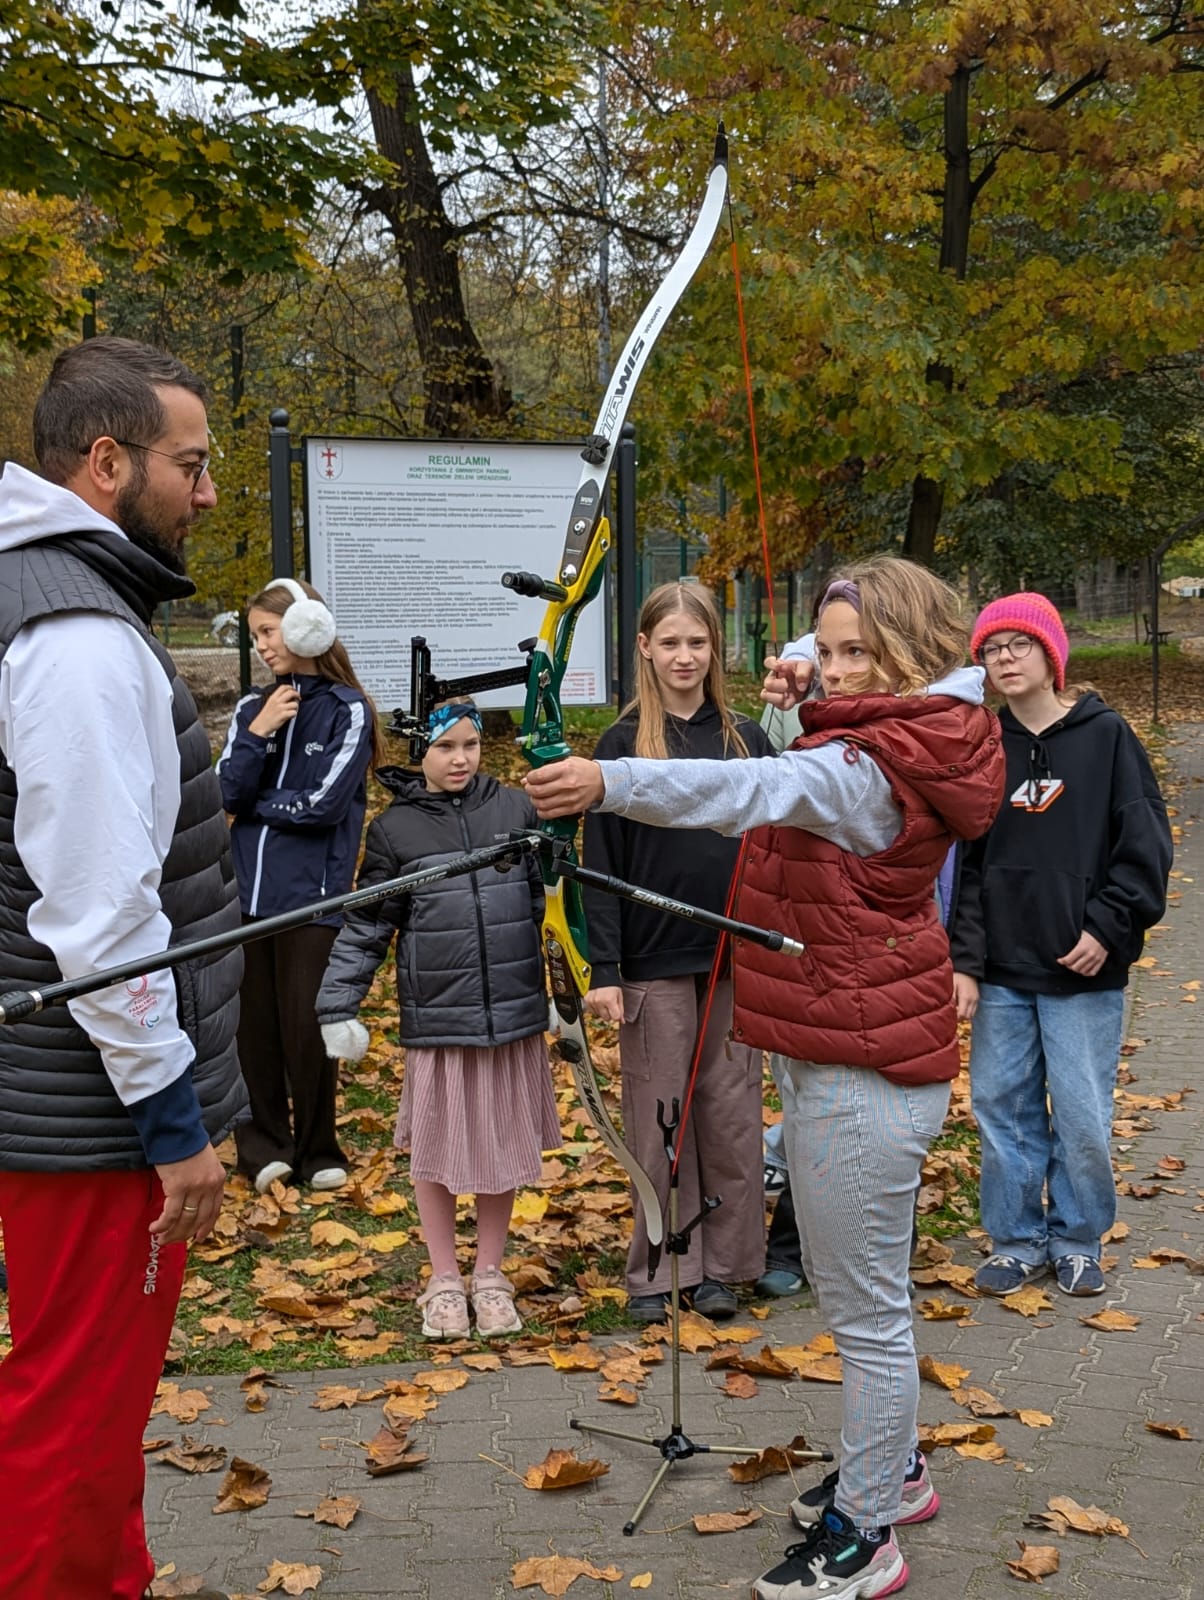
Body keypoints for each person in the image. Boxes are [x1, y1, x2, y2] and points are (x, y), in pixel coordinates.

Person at [525, 556, 1006, 1600]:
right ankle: (897, 1470)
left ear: (910, 655)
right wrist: (803, 675)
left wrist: (609, 781)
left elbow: (750, 787)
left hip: (863, 1075)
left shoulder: (864, 768)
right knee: (865, 1296)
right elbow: (811, 701)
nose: (831, 667)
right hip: (857, 1050)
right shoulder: (926, 725)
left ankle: (868, 1532)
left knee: (865, 1315)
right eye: (824, 648)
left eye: (854, 652)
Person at [0, 337, 246, 1600]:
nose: (207, 491)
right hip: (90, 1111)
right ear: (106, 462)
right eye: (188, 465)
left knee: (88, 1404)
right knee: (76, 1407)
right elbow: (99, 916)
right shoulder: (78, 636)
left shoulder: (42, 590)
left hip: (58, 1090)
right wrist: (171, 1120)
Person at [950, 593, 1171, 1298]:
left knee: (1081, 1117)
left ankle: (1078, 1239)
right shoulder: (984, 744)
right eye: (992, 649)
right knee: (1003, 1111)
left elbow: (1144, 845)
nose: (1005, 658)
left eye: (1020, 644)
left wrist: (1107, 927)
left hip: (1082, 971)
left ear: (1052, 654)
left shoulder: (1107, 738)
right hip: (1002, 970)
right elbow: (966, 864)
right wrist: (966, 961)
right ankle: (1016, 1241)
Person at [315, 701, 558, 1339]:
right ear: (420, 749)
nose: (460, 759)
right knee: (438, 1148)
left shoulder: (515, 810)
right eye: (445, 747)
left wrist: (563, 991)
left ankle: (491, 1274)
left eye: (470, 745)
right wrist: (337, 1005)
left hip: (511, 1015)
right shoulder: (395, 831)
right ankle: (444, 1278)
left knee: (501, 1143)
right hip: (440, 1018)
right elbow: (366, 926)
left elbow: (546, 908)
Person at [582, 582, 773, 1323]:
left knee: (730, 1113)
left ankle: (726, 1264)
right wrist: (604, 970)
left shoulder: (747, 740)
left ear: (715, 648)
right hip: (651, 959)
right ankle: (663, 1267)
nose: (685, 656)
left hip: (733, 959)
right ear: (645, 648)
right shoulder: (622, 745)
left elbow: (777, 843)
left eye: (697, 642)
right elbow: (600, 863)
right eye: (670, 643)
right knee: (660, 1116)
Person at [217, 577, 382, 1194]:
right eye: (256, 634)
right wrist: (259, 731)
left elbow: (323, 806)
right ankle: (263, 1148)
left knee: (307, 1029)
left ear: (305, 627)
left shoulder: (347, 709)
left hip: (314, 900)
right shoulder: (249, 710)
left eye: (269, 631)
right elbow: (225, 793)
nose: (262, 645)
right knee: (252, 1029)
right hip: (245, 899)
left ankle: (318, 1149)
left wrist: (257, 808)